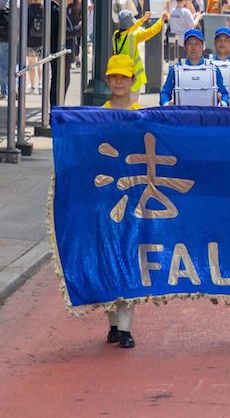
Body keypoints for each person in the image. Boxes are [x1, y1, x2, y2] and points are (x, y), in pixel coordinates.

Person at [100, 54, 141, 348]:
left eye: (123, 77)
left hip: (134, 200)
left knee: (128, 258)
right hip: (104, 198)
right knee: (106, 258)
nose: (118, 81)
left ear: (132, 80)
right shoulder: (96, 117)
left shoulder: (142, 116)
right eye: (113, 77)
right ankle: (112, 324)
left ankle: (125, 328)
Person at [159, 29, 229, 106]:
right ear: (184, 47)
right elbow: (165, 93)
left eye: (197, 44)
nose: (193, 47)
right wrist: (166, 104)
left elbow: (224, 93)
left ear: (203, 46)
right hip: (183, 115)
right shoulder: (175, 70)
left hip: (207, 116)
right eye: (190, 44)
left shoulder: (213, 70)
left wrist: (223, 103)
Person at [112, 8, 168, 102]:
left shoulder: (115, 35)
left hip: (120, 75)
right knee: (132, 105)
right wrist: (161, 20)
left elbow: (129, 28)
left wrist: (143, 19)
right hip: (133, 77)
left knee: (122, 104)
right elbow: (150, 32)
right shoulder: (133, 37)